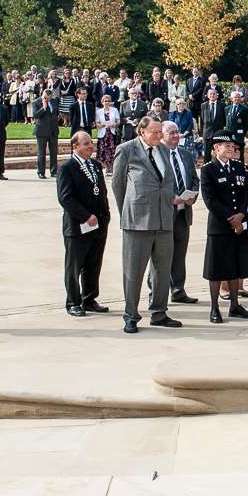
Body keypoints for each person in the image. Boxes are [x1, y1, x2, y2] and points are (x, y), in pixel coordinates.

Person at [111, 116, 181, 333]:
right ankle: (131, 315)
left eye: (161, 132)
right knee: (134, 271)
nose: (160, 136)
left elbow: (167, 180)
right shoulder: (127, 150)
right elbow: (118, 185)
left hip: (163, 220)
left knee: (162, 270)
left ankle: (159, 312)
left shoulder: (162, 150)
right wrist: (128, 211)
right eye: (155, 132)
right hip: (137, 222)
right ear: (141, 131)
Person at [200, 130, 248, 322]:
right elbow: (210, 200)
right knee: (216, 269)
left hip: (239, 225)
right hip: (220, 226)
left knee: (235, 266)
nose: (232, 148)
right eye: (227, 146)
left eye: (233, 146)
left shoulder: (240, 168)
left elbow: (247, 194)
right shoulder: (208, 170)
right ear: (216, 148)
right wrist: (231, 217)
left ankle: (234, 304)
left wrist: (241, 215)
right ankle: (214, 308)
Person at [56, 131, 111, 317]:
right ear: (75, 146)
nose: (90, 146)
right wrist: (85, 216)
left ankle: (89, 298)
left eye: (91, 143)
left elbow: (101, 191)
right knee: (75, 265)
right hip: (78, 225)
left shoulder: (95, 166)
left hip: (98, 224)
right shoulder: (67, 168)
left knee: (93, 263)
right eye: (86, 143)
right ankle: (73, 301)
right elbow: (65, 198)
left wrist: (105, 215)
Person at [148, 121, 200, 307]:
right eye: (171, 133)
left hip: (183, 213)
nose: (176, 136)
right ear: (161, 134)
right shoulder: (155, 155)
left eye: (177, 132)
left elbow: (194, 179)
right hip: (163, 213)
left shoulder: (185, 155)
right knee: (159, 256)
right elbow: (152, 183)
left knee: (179, 253)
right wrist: (170, 197)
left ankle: (178, 290)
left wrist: (192, 196)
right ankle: (154, 293)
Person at [33, 90, 59, 178]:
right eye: (45, 97)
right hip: (41, 131)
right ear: (43, 95)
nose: (47, 99)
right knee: (41, 153)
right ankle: (41, 172)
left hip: (53, 131)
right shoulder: (36, 102)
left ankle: (54, 171)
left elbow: (56, 113)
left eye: (49, 98)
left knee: (54, 152)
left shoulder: (54, 101)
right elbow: (35, 115)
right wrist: (43, 108)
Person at [94, 93, 121, 173]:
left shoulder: (114, 110)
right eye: (105, 101)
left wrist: (114, 125)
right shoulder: (99, 111)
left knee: (111, 151)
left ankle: (111, 168)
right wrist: (101, 125)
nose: (107, 102)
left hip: (111, 133)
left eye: (109, 101)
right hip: (102, 133)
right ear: (102, 102)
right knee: (102, 151)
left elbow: (118, 121)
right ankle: (105, 167)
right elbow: (97, 123)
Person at [198, 87, 226, 160]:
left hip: (218, 133)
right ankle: (207, 170)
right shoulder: (203, 105)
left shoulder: (222, 105)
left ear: (217, 95)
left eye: (214, 94)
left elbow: (224, 120)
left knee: (219, 154)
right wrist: (201, 133)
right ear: (207, 95)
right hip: (207, 134)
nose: (212, 95)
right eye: (210, 94)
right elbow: (201, 120)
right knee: (207, 155)